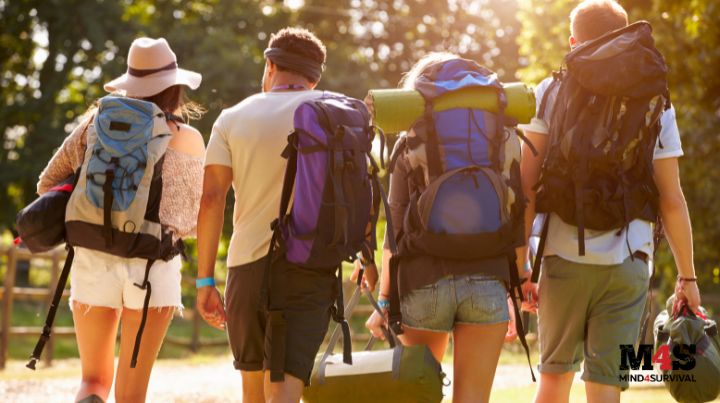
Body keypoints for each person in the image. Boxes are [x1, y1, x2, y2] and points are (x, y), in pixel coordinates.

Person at [518, 1, 702, 403]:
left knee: (553, 381)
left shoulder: (551, 89)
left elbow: (526, 187)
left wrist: (521, 266)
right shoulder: (655, 95)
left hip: (562, 258)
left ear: (573, 41)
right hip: (629, 262)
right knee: (606, 386)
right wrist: (687, 277)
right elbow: (671, 198)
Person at [196, 27, 366, 403]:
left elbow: (211, 199)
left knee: (254, 392)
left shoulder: (231, 117)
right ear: (315, 76)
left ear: (270, 65)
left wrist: (204, 280)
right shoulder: (335, 111)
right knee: (286, 389)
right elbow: (360, 187)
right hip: (309, 265)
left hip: (247, 267)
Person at [37, 37, 205, 403]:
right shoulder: (188, 139)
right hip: (153, 267)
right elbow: (190, 221)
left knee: (93, 381)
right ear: (175, 87)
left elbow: (46, 185)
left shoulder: (93, 125)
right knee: (131, 395)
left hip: (94, 258)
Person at [363, 52, 525, 403]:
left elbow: (394, 232)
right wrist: (517, 285)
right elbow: (517, 217)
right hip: (487, 280)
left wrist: (385, 299)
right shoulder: (500, 139)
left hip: (424, 281)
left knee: (419, 396)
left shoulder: (410, 143)